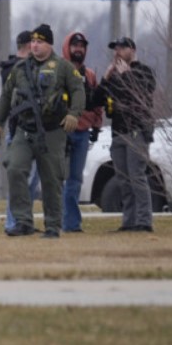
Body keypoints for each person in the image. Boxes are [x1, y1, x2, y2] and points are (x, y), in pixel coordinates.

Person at [0, 24, 85, 239]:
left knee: (51, 179)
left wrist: (74, 114)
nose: (35, 45)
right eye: (33, 41)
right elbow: (6, 96)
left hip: (52, 131)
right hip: (24, 130)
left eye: (40, 42)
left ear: (49, 44)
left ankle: (53, 225)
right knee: (14, 168)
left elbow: (78, 91)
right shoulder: (20, 69)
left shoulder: (63, 67)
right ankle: (22, 221)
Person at [94, 36, 157, 232]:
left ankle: (144, 221)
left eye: (122, 48)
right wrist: (106, 77)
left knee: (137, 176)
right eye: (116, 49)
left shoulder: (144, 72)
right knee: (123, 179)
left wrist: (127, 74)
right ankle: (129, 221)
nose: (117, 52)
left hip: (137, 131)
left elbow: (142, 94)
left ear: (132, 50)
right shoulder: (114, 76)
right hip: (118, 132)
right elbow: (94, 100)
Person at [0, 30, 40, 233]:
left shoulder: (22, 67)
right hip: (19, 130)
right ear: (29, 46)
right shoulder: (13, 69)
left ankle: (24, 220)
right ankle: (14, 222)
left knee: (30, 180)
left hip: (34, 130)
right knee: (19, 179)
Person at [60, 31, 104, 233]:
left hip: (83, 133)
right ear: (67, 48)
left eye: (82, 46)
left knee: (75, 180)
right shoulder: (59, 71)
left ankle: (71, 224)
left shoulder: (90, 76)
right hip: (62, 132)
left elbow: (97, 104)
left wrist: (96, 126)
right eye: (75, 45)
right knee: (59, 178)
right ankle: (59, 220)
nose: (79, 49)